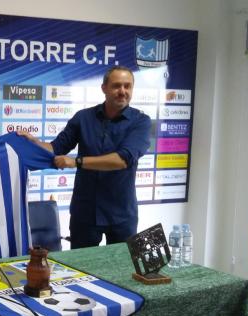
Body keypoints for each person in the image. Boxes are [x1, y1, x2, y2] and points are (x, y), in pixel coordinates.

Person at [18, 66, 151, 248]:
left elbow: (122, 160)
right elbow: (56, 148)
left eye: (127, 86)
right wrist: (34, 142)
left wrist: (77, 162)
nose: (122, 92)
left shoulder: (141, 122)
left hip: (121, 215)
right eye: (116, 86)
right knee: (81, 269)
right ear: (104, 88)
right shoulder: (83, 118)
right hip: (85, 213)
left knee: (121, 271)